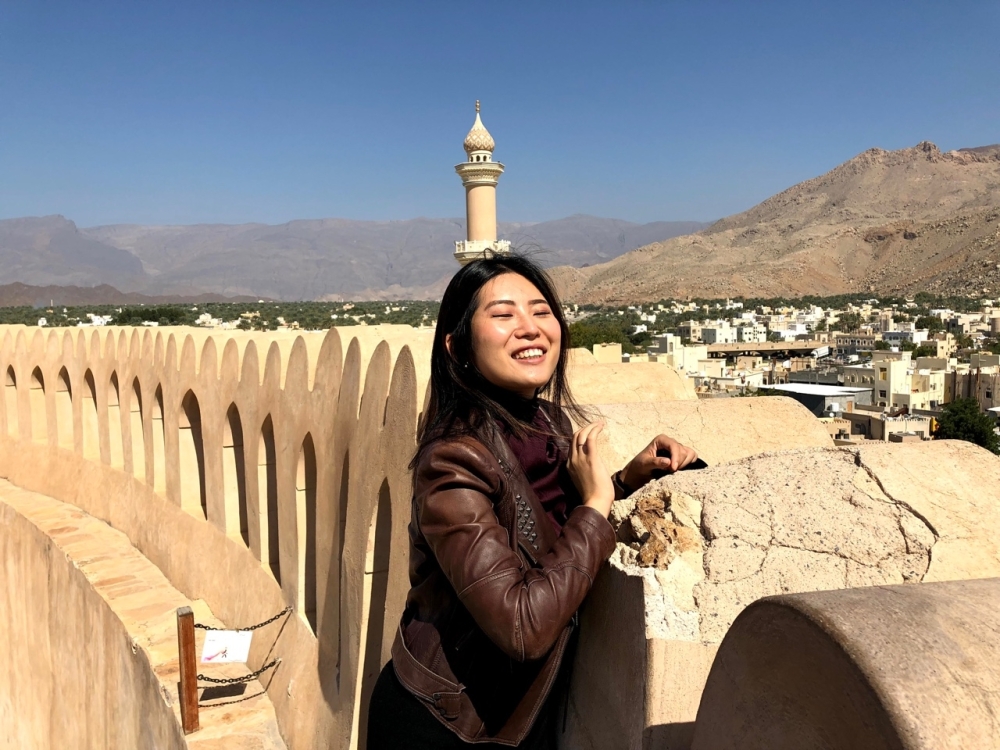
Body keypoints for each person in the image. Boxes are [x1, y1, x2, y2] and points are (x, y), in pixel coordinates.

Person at [367, 255, 697, 748]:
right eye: (503, 315)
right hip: (449, 725)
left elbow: (545, 531)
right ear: (456, 347)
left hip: (521, 714)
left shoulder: (547, 423)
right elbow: (523, 625)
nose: (529, 328)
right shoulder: (452, 462)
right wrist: (596, 504)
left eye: (541, 312)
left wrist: (627, 478)